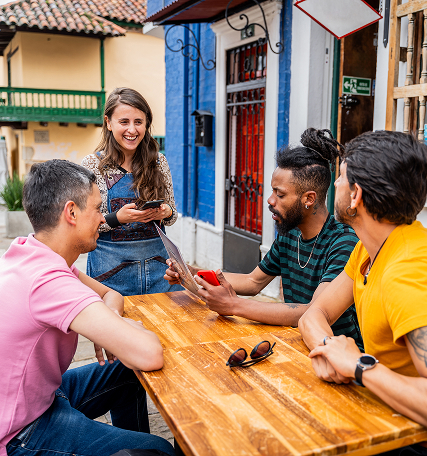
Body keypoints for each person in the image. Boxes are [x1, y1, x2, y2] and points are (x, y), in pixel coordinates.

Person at [0, 160, 175, 456]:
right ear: (71, 212)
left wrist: (109, 326)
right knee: (159, 450)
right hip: (21, 430)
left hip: (45, 395)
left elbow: (111, 295)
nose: (102, 219)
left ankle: (126, 446)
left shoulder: (34, 254)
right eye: (96, 208)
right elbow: (148, 352)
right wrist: (123, 330)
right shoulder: (47, 281)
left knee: (126, 370)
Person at [299, 131, 427, 451]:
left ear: (355, 195)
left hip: (418, 443)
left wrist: (359, 366)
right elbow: (315, 313)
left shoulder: (408, 274)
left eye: (341, 176)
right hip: (380, 414)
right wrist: (329, 349)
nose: (336, 184)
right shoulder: (369, 251)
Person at [165, 129, 362, 348]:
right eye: (272, 191)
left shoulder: (344, 242)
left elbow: (313, 311)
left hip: (337, 354)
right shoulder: (290, 234)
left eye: (280, 194)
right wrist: (192, 274)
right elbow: (253, 282)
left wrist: (234, 306)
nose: (270, 200)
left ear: (309, 198)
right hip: (297, 344)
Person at [81, 87, 181, 296]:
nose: (132, 130)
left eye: (138, 122)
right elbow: (85, 224)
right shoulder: (92, 165)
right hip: (110, 274)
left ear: (146, 124)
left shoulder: (158, 162)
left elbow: (172, 216)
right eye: (124, 122)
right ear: (108, 122)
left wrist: (166, 213)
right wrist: (118, 218)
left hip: (160, 270)